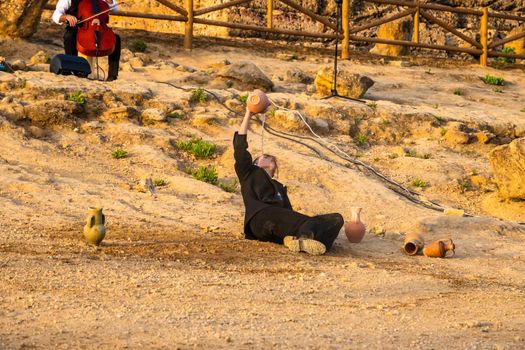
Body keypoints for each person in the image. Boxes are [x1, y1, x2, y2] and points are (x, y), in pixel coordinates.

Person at [234, 106, 344, 255]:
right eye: (265, 156)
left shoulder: (279, 187)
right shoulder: (248, 172)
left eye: (272, 159)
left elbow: (288, 214)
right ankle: (304, 238)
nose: (269, 157)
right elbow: (240, 147)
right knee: (309, 223)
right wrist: (248, 112)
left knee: (336, 219)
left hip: (277, 225)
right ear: (255, 163)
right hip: (260, 218)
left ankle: (304, 241)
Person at [52, 0, 121, 81]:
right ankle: (72, 68)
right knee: (69, 36)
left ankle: (112, 76)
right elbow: (56, 15)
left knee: (116, 39)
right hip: (79, 27)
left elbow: (115, 8)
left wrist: (109, 1)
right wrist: (66, 17)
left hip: (99, 27)